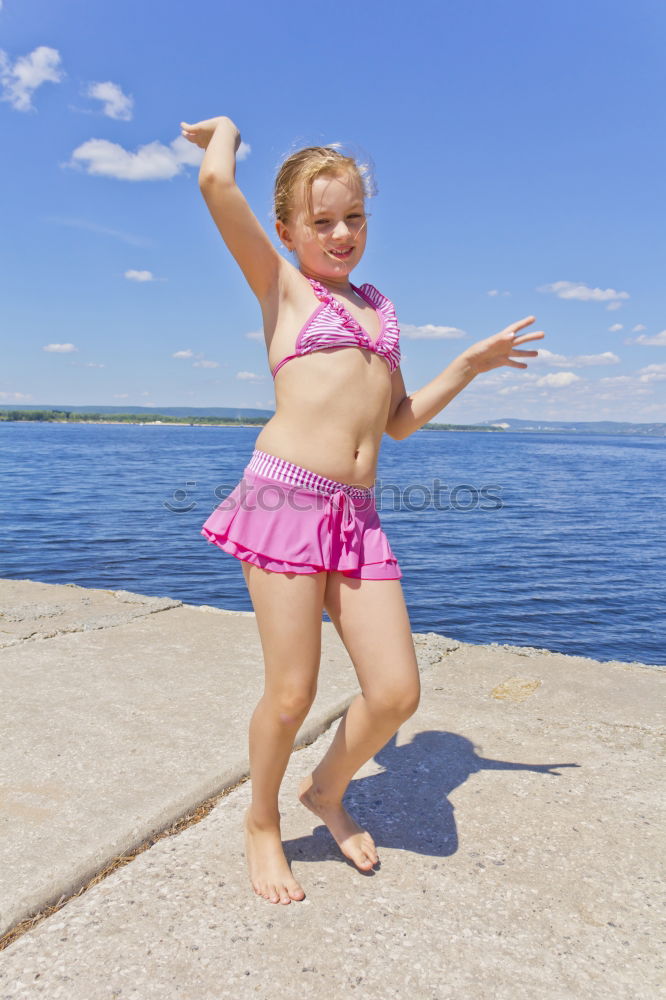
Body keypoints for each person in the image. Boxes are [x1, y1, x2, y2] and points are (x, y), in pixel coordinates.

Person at [180, 116, 545, 906]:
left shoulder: (380, 311)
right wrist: (227, 136)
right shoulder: (284, 289)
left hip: (356, 516)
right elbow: (215, 185)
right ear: (287, 230)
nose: (341, 233)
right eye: (321, 222)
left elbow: (399, 421)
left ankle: (325, 790)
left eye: (354, 218)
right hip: (284, 500)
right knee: (291, 693)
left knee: (395, 693)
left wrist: (470, 365)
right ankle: (262, 821)